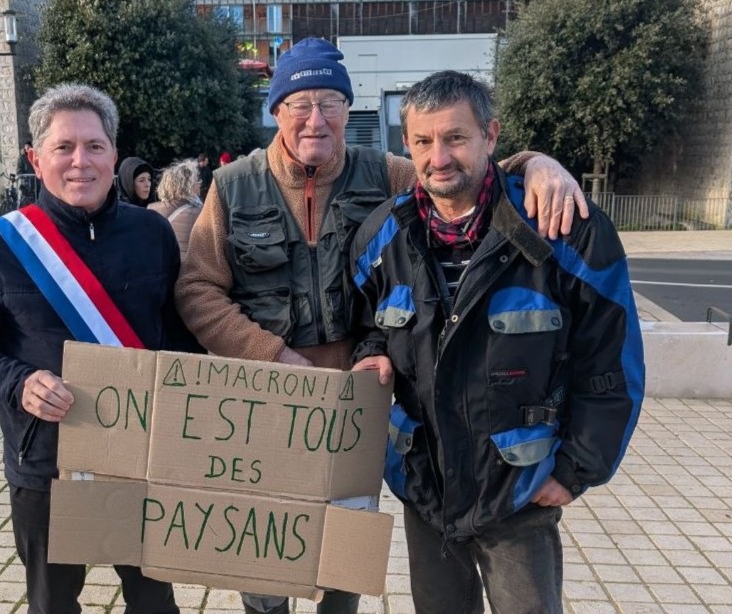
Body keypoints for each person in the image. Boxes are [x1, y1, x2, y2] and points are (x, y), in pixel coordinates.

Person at [175, 38, 587, 614]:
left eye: (330, 103)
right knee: (267, 568)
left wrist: (537, 163)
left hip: (356, 406)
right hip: (263, 404)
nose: (314, 119)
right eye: (298, 103)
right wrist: (271, 355)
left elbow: (456, 169)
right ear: (276, 111)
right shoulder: (234, 186)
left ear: (349, 109)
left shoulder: (388, 174)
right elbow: (196, 288)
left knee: (342, 560)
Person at [349, 70, 645, 614]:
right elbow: (366, 322)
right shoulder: (380, 236)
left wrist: (575, 469)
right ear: (405, 144)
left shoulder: (563, 230)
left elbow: (611, 361)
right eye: (422, 141)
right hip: (425, 489)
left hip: (520, 493)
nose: (438, 156)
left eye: (455, 137)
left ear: (491, 136)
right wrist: (369, 352)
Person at [0, 83, 200, 614]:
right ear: (36, 157)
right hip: (45, 463)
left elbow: (175, 334)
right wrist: (18, 383)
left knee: (154, 600)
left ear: (114, 154)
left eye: (95, 146)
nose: (82, 162)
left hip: (141, 458)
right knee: (53, 604)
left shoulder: (153, 234)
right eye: (64, 148)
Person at [149, 158, 202, 259]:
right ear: (188, 186)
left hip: (159, 270)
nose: (200, 183)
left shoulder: (150, 209)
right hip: (186, 271)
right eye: (197, 180)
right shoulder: (199, 213)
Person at [17, 141, 40, 206]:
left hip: (36, 181)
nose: (27, 149)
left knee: (37, 197)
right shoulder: (22, 158)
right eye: (26, 148)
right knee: (26, 199)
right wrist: (23, 177)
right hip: (27, 182)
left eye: (28, 147)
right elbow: (19, 170)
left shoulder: (35, 156)